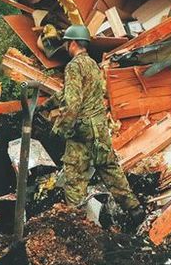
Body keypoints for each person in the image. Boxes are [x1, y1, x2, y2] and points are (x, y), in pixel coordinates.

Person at [53, 25, 144, 225]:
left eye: (67, 42)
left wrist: (61, 127)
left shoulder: (74, 66)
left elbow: (73, 102)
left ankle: (76, 224)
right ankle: (135, 209)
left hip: (82, 130)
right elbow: (96, 92)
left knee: (74, 175)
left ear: (73, 43)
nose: (66, 46)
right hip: (100, 127)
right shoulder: (93, 65)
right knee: (109, 168)